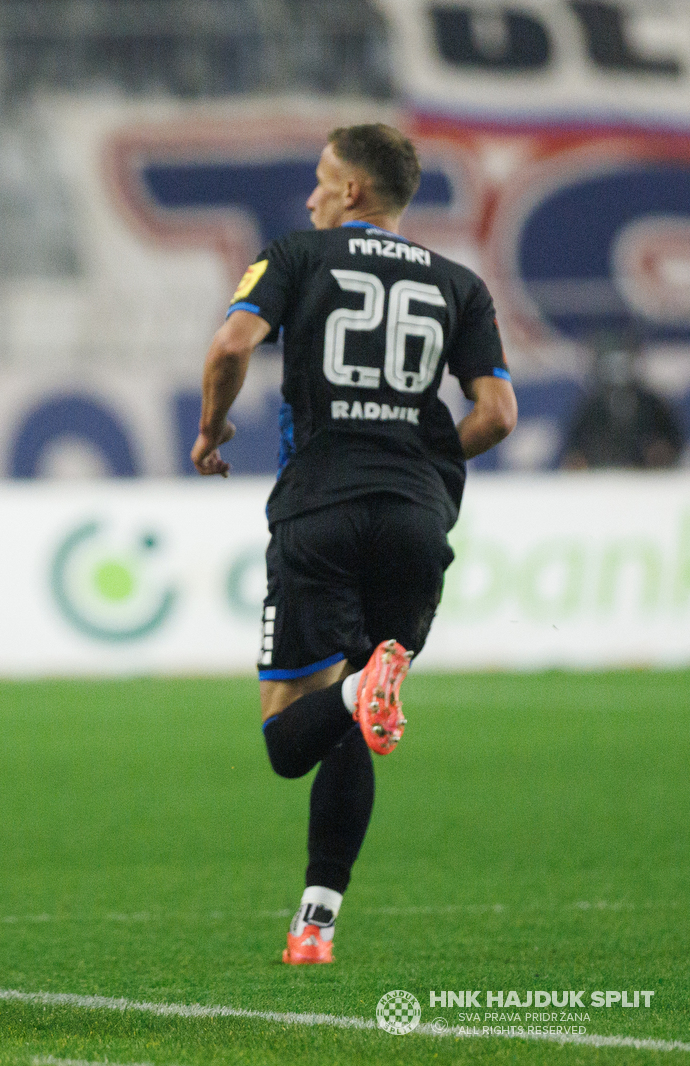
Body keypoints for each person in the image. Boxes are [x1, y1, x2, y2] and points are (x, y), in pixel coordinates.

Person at [191, 124, 518, 965]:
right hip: (416, 521)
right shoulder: (461, 282)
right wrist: (422, 459)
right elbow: (497, 415)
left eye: (320, 179)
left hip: (321, 510)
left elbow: (231, 344)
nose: (309, 194)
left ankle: (360, 689)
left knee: (291, 735)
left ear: (352, 194)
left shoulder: (298, 255)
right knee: (365, 706)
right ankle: (316, 923)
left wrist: (211, 428)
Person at [560, 333, 684, 470]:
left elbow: (673, 441)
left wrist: (664, 451)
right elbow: (574, 447)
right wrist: (578, 457)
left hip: (647, 478)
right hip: (601, 478)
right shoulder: (591, 406)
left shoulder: (651, 403)